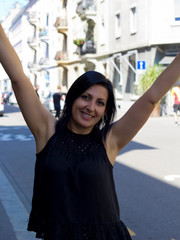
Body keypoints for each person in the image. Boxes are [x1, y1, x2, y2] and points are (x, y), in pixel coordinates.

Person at [1, 23, 180, 240]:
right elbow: (18, 77)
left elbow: (151, 97)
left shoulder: (110, 140)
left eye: (100, 102)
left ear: (105, 110)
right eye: (85, 97)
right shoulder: (46, 130)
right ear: (73, 97)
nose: (91, 107)